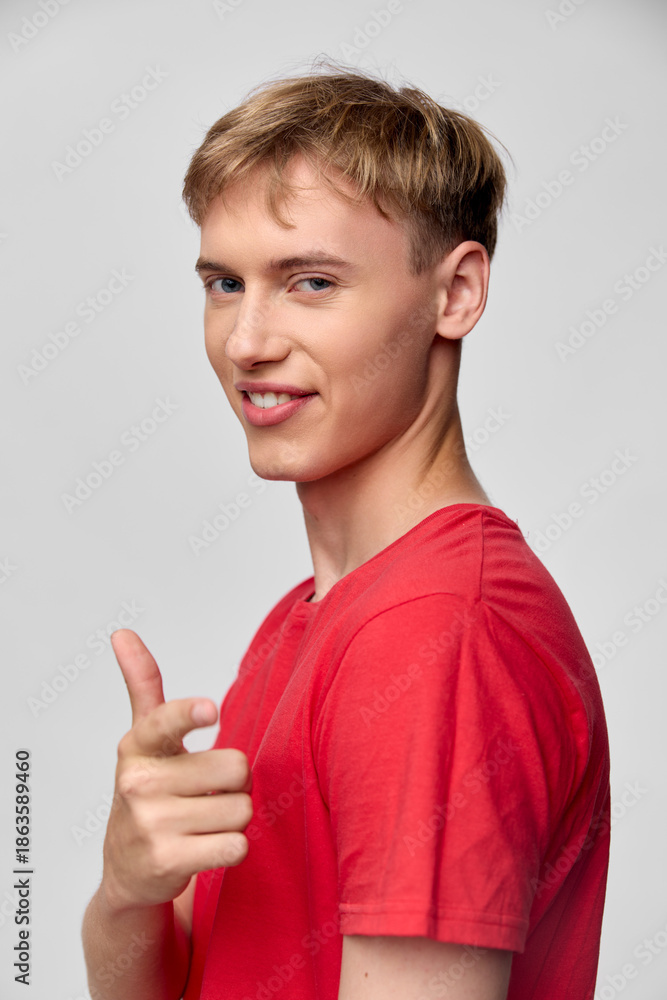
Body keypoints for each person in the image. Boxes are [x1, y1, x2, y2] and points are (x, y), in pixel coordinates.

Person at [81, 64, 611, 1000]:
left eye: (311, 282)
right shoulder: (312, 619)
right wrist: (127, 893)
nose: (245, 341)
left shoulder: (437, 632)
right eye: (223, 283)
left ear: (455, 294)